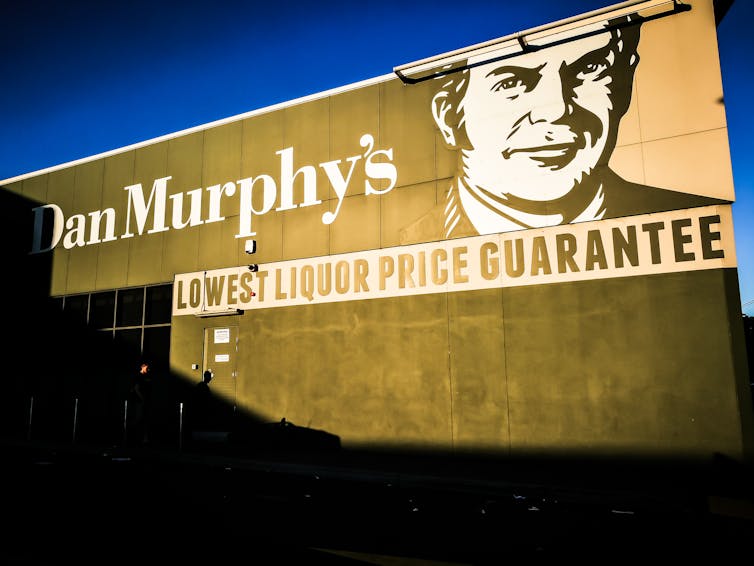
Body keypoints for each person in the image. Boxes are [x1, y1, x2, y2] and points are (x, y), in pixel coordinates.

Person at [430, 13, 723, 238]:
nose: (556, 109)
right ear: (450, 118)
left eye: (589, 68)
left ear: (624, 86)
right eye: (512, 82)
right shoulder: (409, 243)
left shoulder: (689, 219)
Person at [129, 361, 152, 444]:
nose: (148, 369)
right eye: (147, 367)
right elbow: (136, 389)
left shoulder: (147, 376)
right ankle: (131, 435)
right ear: (142, 367)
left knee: (145, 418)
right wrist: (142, 399)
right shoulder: (138, 376)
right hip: (139, 401)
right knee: (138, 418)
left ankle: (144, 438)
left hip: (145, 401)